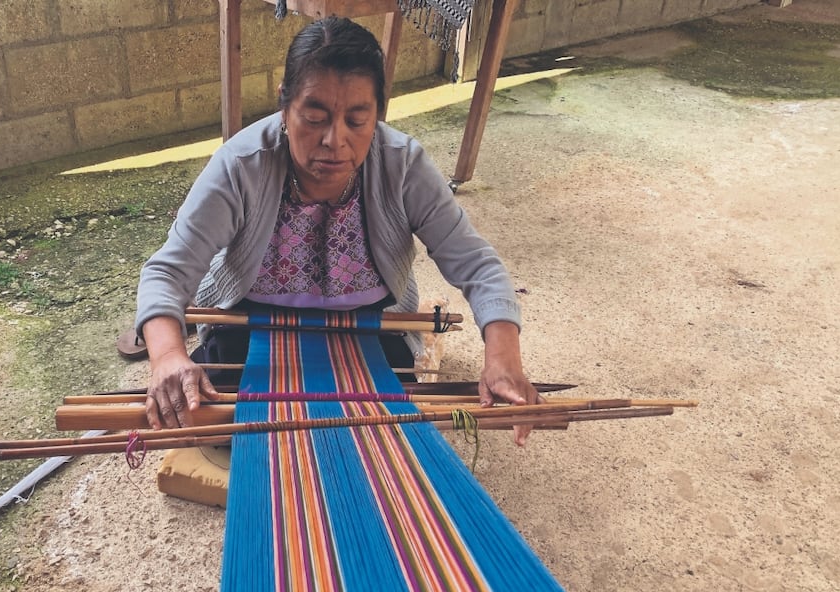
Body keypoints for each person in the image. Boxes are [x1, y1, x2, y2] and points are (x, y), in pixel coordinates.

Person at [135, 16, 541, 444]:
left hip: (368, 333)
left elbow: (475, 262)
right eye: (314, 116)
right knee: (217, 425)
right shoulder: (241, 165)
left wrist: (503, 358)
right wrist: (167, 355)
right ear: (284, 106)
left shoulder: (403, 165)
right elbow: (168, 272)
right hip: (251, 333)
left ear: (379, 115)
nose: (334, 140)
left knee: (378, 434)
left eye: (357, 119)